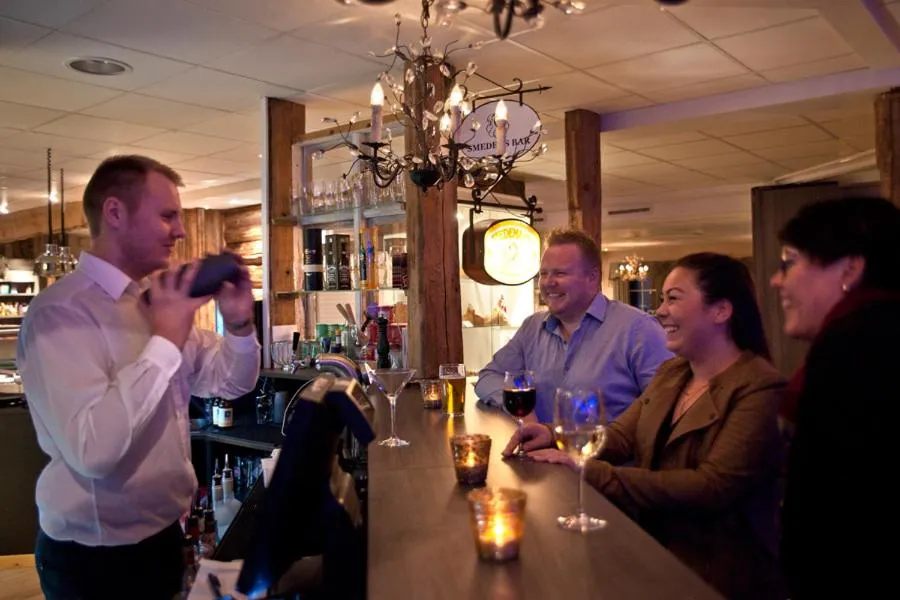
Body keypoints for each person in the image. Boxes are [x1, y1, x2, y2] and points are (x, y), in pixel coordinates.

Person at [17, 155, 261, 600]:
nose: (181, 231)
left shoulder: (154, 300)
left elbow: (229, 382)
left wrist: (240, 324)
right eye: (168, 216)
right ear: (115, 212)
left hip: (165, 540)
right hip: (95, 562)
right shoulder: (60, 313)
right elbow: (93, 451)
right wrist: (165, 342)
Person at [506, 253, 786, 600]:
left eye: (673, 299)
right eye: (662, 299)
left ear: (721, 311)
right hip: (651, 546)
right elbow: (622, 436)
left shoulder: (760, 387)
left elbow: (712, 487)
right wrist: (553, 434)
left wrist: (588, 470)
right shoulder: (674, 372)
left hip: (716, 573)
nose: (660, 311)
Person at [770, 196, 900, 600]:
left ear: (850, 269)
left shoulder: (858, 346)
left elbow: (840, 508)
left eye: (790, 262)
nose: (777, 281)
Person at [475, 228, 671, 422]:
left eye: (560, 273)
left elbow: (665, 407)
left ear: (593, 277)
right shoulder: (532, 327)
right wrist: (522, 410)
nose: (548, 282)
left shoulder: (639, 329)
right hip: (539, 444)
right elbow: (488, 377)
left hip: (602, 444)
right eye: (544, 273)